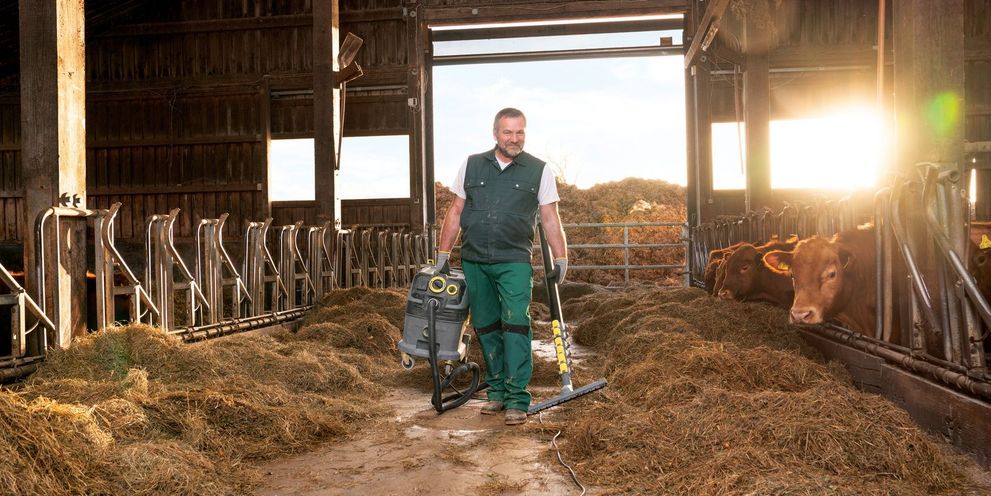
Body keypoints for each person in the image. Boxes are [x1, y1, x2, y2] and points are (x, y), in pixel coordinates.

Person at [434, 107, 568, 426]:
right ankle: (496, 392)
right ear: (495, 133)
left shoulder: (539, 170)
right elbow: (455, 211)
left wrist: (561, 256)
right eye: (508, 132)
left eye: (520, 132)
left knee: (516, 323)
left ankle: (517, 398)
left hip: (514, 261)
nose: (514, 138)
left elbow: (550, 218)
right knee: (486, 324)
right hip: (475, 258)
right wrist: (442, 253)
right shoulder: (471, 164)